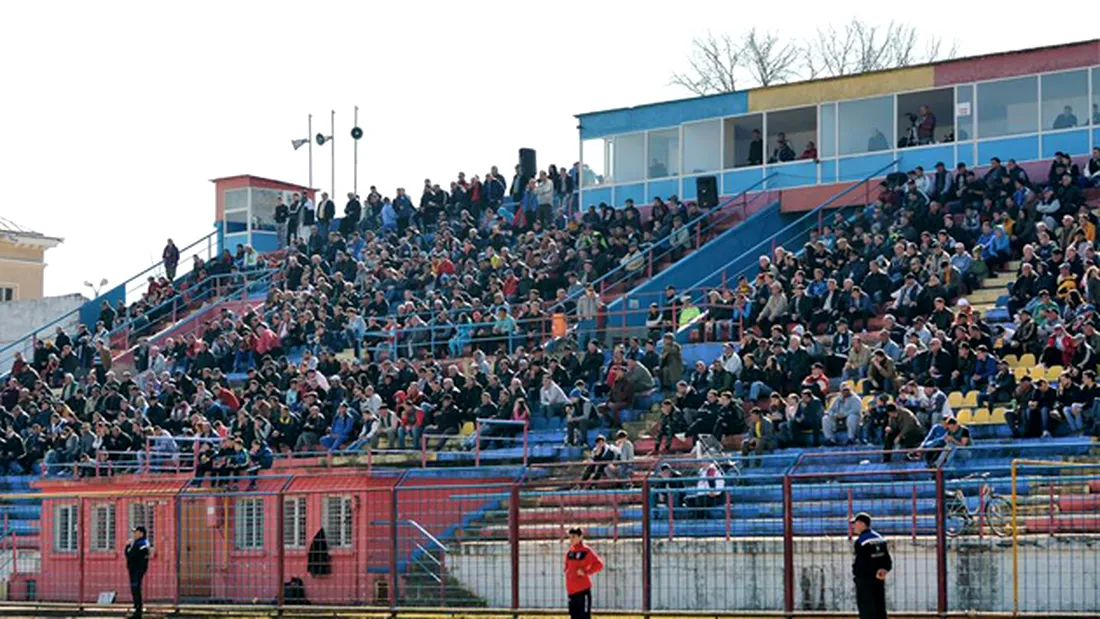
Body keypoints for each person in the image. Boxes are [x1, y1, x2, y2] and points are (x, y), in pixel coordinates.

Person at [851, 512, 891, 619]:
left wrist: (856, 574)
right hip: (879, 579)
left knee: (867, 611)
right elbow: (887, 560)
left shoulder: (861, 541)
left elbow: (862, 563)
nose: (854, 526)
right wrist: (883, 570)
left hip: (865, 581)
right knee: (879, 609)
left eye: (855, 523)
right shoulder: (880, 539)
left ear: (862, 524)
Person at [564, 527, 603, 619]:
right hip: (572, 592)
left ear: (580, 537)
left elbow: (599, 564)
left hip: (582, 591)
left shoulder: (586, 551)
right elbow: (567, 566)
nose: (571, 539)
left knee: (584, 617)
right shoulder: (570, 552)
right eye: (570, 537)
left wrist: (586, 572)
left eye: (574, 537)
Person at [125, 525, 151, 619]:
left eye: (136, 532)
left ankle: (138, 610)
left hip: (137, 569)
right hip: (134, 568)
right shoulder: (137, 543)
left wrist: (128, 547)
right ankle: (137, 608)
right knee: (134, 588)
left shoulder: (141, 543)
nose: (134, 534)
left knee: (135, 588)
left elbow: (131, 554)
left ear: (141, 533)